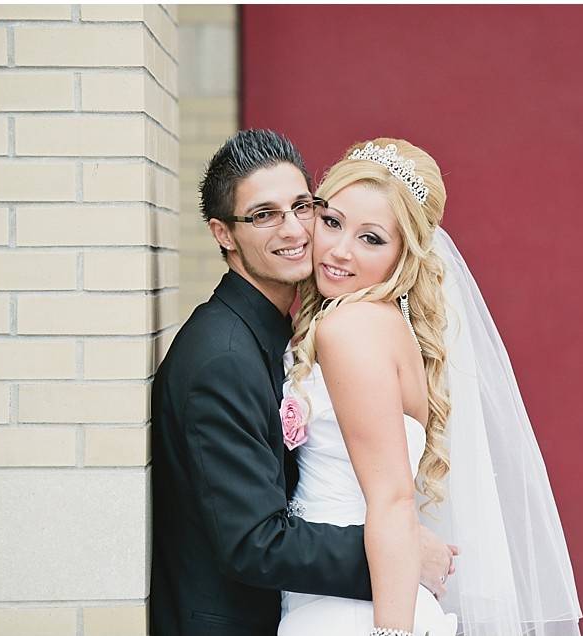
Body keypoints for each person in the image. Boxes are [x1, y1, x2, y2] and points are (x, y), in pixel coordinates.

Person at [150, 130, 455, 636]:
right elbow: (252, 542)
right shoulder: (223, 357)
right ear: (224, 233)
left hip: (345, 610)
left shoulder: (323, 330)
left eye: (303, 207)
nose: (296, 231)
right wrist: (403, 556)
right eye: (264, 215)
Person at [278, 139, 582, 636]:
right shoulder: (387, 325)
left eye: (371, 239)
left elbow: (393, 500)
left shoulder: (349, 329)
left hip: (354, 608)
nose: (338, 249)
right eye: (332, 222)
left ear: (404, 254)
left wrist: (390, 634)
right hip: (350, 587)